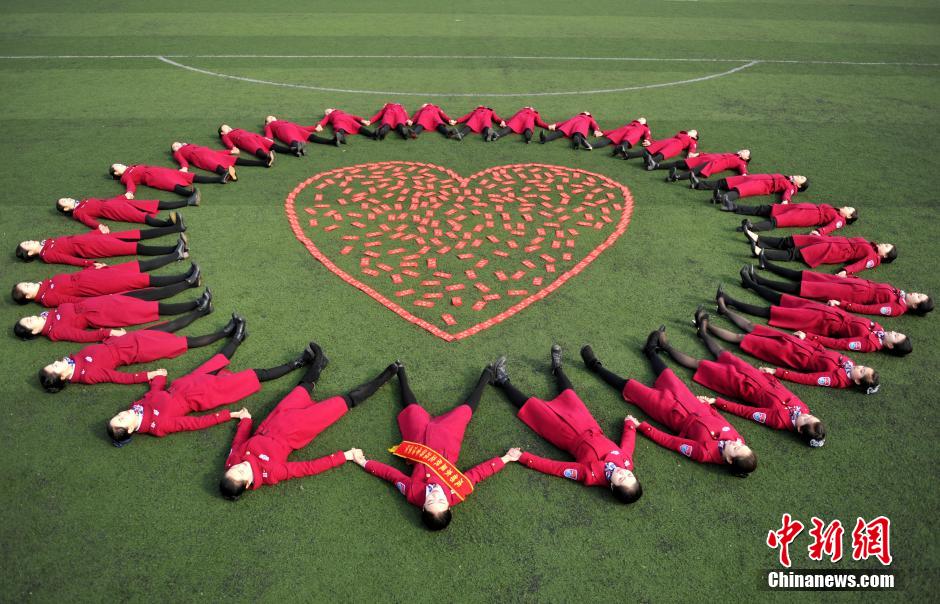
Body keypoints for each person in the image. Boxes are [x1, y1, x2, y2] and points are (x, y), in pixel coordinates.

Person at [352, 362, 518, 531]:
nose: (436, 494)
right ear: (449, 506)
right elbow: (479, 473)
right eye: (441, 501)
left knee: (412, 409)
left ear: (423, 507)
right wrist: (506, 459)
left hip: (419, 441)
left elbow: (391, 475)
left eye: (431, 501)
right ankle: (486, 375)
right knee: (465, 411)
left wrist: (364, 462)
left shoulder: (413, 493)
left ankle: (400, 371)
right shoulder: (459, 490)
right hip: (447, 439)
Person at [219, 345, 399, 500]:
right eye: (241, 472)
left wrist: (245, 420)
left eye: (234, 468)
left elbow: (237, 443)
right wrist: (344, 456)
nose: (240, 465)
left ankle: (319, 362)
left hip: (275, 419)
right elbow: (307, 468)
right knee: (343, 402)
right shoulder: (272, 473)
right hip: (298, 428)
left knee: (302, 389)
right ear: (248, 483)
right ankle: (385, 376)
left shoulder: (232, 461)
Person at [581, 328, 757, 475]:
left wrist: (643, 427)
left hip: (671, 413)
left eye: (736, 448)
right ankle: (650, 351)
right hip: (693, 404)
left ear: (729, 460)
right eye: (741, 444)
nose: (736, 443)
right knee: (667, 374)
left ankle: (594, 366)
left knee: (631, 387)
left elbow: (672, 442)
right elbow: (721, 420)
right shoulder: (737, 438)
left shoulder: (704, 453)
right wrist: (708, 405)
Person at [490, 346, 642, 503]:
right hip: (588, 424)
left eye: (621, 479)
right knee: (569, 394)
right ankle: (557, 368)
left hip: (565, 434)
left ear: (612, 486)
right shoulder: (626, 462)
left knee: (531, 408)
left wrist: (523, 457)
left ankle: (502, 380)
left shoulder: (589, 475)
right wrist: (630, 425)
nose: (623, 472)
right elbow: (628, 445)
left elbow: (556, 468)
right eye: (629, 474)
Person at [107, 333, 315, 446]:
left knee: (217, 361)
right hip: (201, 394)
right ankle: (299, 362)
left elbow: (153, 394)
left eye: (117, 416)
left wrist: (157, 378)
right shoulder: (158, 426)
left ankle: (237, 337)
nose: (122, 414)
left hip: (185, 383)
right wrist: (229, 415)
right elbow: (195, 423)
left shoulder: (136, 407)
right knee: (254, 375)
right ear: (131, 429)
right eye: (121, 420)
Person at [657, 308, 827, 447]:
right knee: (723, 354)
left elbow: (747, 412)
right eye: (811, 416)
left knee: (701, 365)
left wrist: (717, 402)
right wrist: (772, 375)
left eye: (806, 419)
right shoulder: (803, 409)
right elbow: (784, 391)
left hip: (742, 385)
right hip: (758, 377)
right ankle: (703, 332)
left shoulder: (778, 420)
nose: (806, 414)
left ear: (799, 429)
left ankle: (664, 346)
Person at [701, 302, 880, 394]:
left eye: (862, 371)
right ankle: (724, 310)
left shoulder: (837, 380)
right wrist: (807, 338)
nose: (860, 367)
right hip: (799, 344)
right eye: (864, 367)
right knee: (753, 327)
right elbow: (825, 350)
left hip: (791, 354)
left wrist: (777, 372)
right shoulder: (849, 363)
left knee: (742, 338)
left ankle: (706, 326)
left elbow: (807, 378)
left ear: (857, 381)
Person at [38, 311, 237, 393]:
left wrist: (109, 334)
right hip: (137, 350)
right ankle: (226, 332)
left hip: (126, 340)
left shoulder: (74, 360)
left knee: (169, 327)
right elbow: (118, 377)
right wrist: (148, 375)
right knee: (185, 342)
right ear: (62, 377)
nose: (56, 362)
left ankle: (202, 309)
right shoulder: (86, 375)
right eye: (55, 367)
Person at [728, 275, 912, 355]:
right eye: (898, 333)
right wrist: (840, 306)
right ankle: (752, 284)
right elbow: (856, 317)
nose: (894, 332)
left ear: (890, 346)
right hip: (830, 313)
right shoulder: (879, 328)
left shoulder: (869, 344)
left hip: (821, 323)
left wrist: (809, 337)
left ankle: (732, 302)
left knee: (775, 312)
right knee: (785, 300)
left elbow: (839, 344)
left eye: (896, 336)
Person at [750, 257, 933, 317]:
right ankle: (768, 265)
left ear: (915, 306)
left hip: (848, 293)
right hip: (851, 284)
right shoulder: (900, 295)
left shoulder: (897, 308)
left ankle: (759, 281)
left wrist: (843, 304)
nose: (916, 293)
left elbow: (869, 309)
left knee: (802, 288)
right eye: (919, 293)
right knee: (806, 275)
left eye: (919, 297)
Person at [14, 288, 211, 343]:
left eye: (27, 317)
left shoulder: (48, 315)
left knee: (143, 296)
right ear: (33, 332)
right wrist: (107, 333)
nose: (30, 318)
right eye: (28, 322)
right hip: (103, 314)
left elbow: (71, 301)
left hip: (99, 303)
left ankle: (197, 302)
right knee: (152, 308)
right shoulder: (54, 331)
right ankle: (198, 306)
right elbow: (82, 336)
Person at [11, 256, 200, 307]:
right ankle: (187, 278)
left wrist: (91, 267)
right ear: (28, 296)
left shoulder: (45, 285)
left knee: (140, 274)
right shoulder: (47, 297)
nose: (29, 283)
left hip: (95, 277)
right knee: (142, 282)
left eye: (25, 282)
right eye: (26, 286)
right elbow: (71, 301)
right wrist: (98, 299)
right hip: (97, 286)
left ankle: (185, 275)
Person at [16, 226, 187, 267]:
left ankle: (176, 234)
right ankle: (175, 250)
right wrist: (89, 264)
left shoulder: (47, 243)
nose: (30, 240)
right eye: (27, 244)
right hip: (93, 248)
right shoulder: (47, 254)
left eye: (27, 240)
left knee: (134, 236)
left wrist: (97, 232)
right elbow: (67, 259)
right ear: (30, 253)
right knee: (135, 247)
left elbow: (75, 238)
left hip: (94, 240)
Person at [745, 230, 896, 276]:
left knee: (795, 253)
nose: (884, 244)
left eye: (886, 246)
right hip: (828, 241)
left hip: (832, 250)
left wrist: (845, 271)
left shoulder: (874, 258)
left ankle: (761, 252)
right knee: (790, 241)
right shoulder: (871, 246)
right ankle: (758, 239)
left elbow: (860, 265)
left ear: (885, 256)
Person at [56, 195, 193, 230]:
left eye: (66, 198)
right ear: (66, 209)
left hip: (116, 203)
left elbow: (105, 200)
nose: (68, 198)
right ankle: (170, 225)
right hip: (112, 210)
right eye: (64, 201)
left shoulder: (83, 202)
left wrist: (122, 197)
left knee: (152, 203)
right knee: (141, 217)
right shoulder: (78, 212)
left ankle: (188, 201)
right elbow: (87, 220)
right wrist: (99, 226)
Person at [726, 202, 857, 235]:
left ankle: (750, 228)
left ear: (849, 216)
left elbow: (831, 227)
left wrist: (819, 232)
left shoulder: (840, 220)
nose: (845, 206)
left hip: (805, 216)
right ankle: (735, 207)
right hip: (800, 208)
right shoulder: (836, 211)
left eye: (848, 208)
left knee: (776, 221)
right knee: (766, 209)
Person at [110, 163, 223, 199]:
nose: (120, 164)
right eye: (117, 166)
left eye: (119, 163)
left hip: (158, 170)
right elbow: (130, 184)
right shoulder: (125, 176)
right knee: (170, 184)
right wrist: (129, 192)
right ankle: (190, 194)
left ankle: (219, 179)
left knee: (185, 175)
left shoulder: (131, 167)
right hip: (152, 177)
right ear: (116, 173)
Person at [172, 142, 267, 180]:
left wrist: (229, 151)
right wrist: (184, 168)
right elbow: (182, 161)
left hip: (210, 152)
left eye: (177, 144)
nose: (177, 146)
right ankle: (228, 175)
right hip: (199, 157)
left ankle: (263, 163)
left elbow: (214, 151)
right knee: (214, 165)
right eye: (174, 146)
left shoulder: (190, 145)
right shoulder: (177, 153)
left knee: (233, 159)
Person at [701, 174, 808, 206]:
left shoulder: (791, 187)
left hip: (762, 185)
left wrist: (785, 201)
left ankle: (721, 198)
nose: (799, 176)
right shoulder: (787, 178)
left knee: (740, 190)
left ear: (799, 186)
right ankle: (699, 184)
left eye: (802, 178)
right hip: (757, 178)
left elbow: (788, 194)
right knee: (729, 181)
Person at [615, 129, 699, 170]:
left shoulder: (693, 141)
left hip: (678, 144)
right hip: (670, 140)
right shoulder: (681, 134)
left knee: (664, 152)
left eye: (693, 131)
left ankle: (652, 162)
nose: (690, 130)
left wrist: (691, 154)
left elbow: (692, 149)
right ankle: (628, 155)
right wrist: (651, 142)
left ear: (695, 137)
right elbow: (666, 140)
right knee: (651, 148)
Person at [661, 150, 749, 185]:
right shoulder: (731, 154)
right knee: (681, 163)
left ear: (747, 158)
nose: (743, 150)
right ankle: (657, 166)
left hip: (714, 164)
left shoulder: (742, 162)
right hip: (706, 159)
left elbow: (743, 171)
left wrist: (744, 176)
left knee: (695, 170)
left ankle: (676, 177)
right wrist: (699, 154)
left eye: (745, 151)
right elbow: (714, 154)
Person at [263, 116, 337, 155]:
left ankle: (332, 141)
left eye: (272, 116)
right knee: (291, 138)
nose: (272, 117)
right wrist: (269, 139)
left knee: (311, 136)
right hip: (283, 129)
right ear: (267, 122)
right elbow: (269, 134)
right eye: (270, 118)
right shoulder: (269, 125)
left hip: (295, 129)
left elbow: (301, 127)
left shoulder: (283, 121)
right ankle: (297, 150)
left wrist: (314, 128)